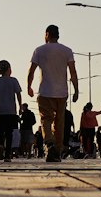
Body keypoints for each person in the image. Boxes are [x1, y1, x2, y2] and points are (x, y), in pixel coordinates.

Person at [27, 24, 78, 163]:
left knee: (46, 120)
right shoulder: (67, 50)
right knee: (59, 122)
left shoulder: (39, 50)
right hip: (62, 93)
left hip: (45, 92)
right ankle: (58, 149)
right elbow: (73, 72)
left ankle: (49, 144)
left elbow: (31, 70)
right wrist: (76, 90)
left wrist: (29, 86)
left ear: (47, 34)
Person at [0, 60, 23, 160]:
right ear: (9, 69)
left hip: (0, 111)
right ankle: (7, 155)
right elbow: (18, 94)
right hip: (11, 111)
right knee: (9, 133)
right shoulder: (14, 81)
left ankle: (0, 144)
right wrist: (20, 106)